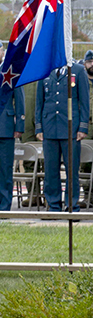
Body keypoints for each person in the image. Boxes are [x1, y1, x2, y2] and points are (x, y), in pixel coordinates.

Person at [35, 63, 91, 211]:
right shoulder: (45, 68)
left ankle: (71, 204)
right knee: (51, 170)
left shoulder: (78, 70)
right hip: (50, 127)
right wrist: (39, 126)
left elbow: (84, 101)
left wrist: (83, 126)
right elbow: (39, 101)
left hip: (71, 129)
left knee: (71, 170)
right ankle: (53, 204)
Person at [0, 49, 24, 211]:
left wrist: (19, 126)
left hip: (5, 127)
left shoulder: (9, 70)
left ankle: (4, 206)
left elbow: (20, 99)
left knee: (5, 169)